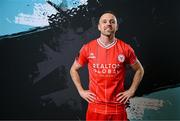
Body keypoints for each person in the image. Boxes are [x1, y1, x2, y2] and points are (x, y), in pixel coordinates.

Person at [70, 11, 144, 121]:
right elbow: (73, 70)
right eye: (104, 22)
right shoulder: (87, 48)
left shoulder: (126, 48)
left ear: (116, 26)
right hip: (95, 107)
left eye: (112, 22)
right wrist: (81, 91)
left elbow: (139, 70)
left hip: (117, 107)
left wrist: (132, 90)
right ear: (99, 27)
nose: (108, 24)